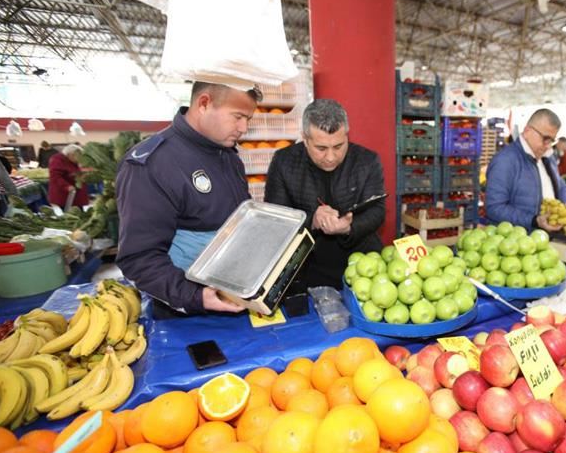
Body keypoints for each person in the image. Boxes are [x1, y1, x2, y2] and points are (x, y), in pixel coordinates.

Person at [116, 82, 259, 315]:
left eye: (248, 119)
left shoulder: (228, 155)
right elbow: (139, 259)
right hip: (186, 309)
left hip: (233, 296)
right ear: (204, 103)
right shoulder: (153, 165)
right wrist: (194, 296)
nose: (243, 128)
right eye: (238, 117)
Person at [265, 99, 386, 289]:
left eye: (338, 146)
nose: (330, 157)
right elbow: (276, 220)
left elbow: (377, 210)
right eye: (321, 148)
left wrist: (348, 227)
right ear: (305, 139)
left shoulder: (366, 160)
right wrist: (312, 220)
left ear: (347, 135)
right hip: (305, 265)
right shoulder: (284, 162)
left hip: (362, 265)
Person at [485, 108, 566, 231]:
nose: (548, 145)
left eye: (552, 140)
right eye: (545, 138)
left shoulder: (548, 157)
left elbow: (560, 184)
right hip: (518, 243)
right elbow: (494, 208)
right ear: (527, 131)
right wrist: (534, 220)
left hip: (546, 239)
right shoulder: (505, 161)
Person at [48, 144, 89, 208]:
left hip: (75, 194)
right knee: (69, 215)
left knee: (79, 213)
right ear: (70, 154)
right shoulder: (57, 160)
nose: (79, 158)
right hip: (65, 195)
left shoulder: (73, 161)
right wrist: (66, 186)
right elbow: (55, 177)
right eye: (78, 156)